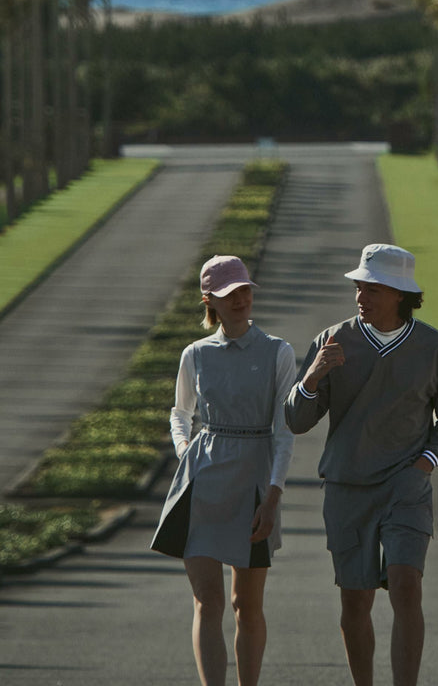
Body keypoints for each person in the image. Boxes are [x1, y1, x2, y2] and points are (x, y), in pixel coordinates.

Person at [285, 242, 438, 686]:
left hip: (406, 486)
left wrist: (425, 462)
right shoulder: (333, 341)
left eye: (371, 288)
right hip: (347, 488)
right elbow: (296, 420)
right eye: (358, 286)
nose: (360, 296)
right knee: (356, 601)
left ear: (399, 293)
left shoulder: (437, 349)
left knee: (407, 585)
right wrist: (312, 378)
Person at [151, 254, 296, 686]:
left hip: (254, 484)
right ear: (209, 299)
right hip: (201, 482)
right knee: (206, 603)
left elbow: (284, 431)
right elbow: (180, 413)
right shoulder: (195, 354)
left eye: (245, 290)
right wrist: (185, 456)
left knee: (245, 605)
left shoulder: (278, 352)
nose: (241, 298)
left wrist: (273, 496)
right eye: (230, 292)